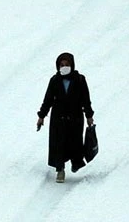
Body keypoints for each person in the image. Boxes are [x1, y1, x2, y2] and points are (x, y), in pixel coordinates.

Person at [37, 52, 95, 183]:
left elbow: (86, 99)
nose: (64, 67)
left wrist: (89, 115)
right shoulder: (54, 80)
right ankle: (60, 170)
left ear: (72, 65)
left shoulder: (80, 80)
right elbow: (48, 100)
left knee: (74, 141)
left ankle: (76, 163)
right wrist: (41, 116)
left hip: (75, 117)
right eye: (61, 65)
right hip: (58, 118)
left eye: (67, 64)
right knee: (58, 143)